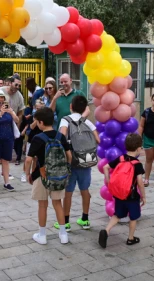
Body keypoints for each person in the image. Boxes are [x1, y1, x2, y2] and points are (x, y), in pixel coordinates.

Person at [25, 107, 71, 245]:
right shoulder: (60, 136)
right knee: (58, 204)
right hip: (58, 176)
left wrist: (27, 173)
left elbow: (28, 159)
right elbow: (69, 155)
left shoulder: (37, 138)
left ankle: (42, 235)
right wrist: (65, 169)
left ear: (40, 122)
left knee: (42, 205)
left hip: (42, 175)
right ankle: (63, 235)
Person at [54, 96, 100, 231]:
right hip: (85, 160)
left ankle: (66, 222)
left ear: (70, 107)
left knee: (68, 192)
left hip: (71, 160)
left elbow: (62, 136)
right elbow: (97, 139)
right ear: (85, 108)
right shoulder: (88, 122)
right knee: (85, 190)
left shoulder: (65, 120)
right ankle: (85, 220)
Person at [99, 133, 146, 248]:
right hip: (132, 197)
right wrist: (143, 197)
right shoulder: (137, 164)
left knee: (117, 215)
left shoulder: (120, 158)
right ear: (139, 148)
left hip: (119, 195)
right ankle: (130, 238)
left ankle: (107, 230)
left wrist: (109, 181)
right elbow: (140, 182)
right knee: (133, 217)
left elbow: (106, 167)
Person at [21, 99, 44, 183]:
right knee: (29, 157)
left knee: (36, 158)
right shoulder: (32, 117)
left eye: (40, 109)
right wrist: (37, 119)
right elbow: (31, 127)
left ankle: (33, 174)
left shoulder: (44, 118)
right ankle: (24, 172)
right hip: (32, 139)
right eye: (37, 108)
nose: (38, 110)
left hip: (40, 140)